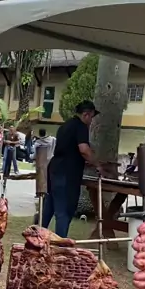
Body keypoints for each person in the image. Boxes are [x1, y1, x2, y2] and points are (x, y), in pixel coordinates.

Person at [42, 100, 101, 237]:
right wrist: (97, 164)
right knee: (64, 210)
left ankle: (35, 236)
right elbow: (84, 150)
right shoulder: (81, 127)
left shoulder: (65, 126)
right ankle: (61, 242)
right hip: (66, 174)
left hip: (55, 169)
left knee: (49, 207)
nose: (91, 121)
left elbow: (69, 149)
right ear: (86, 115)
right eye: (92, 117)